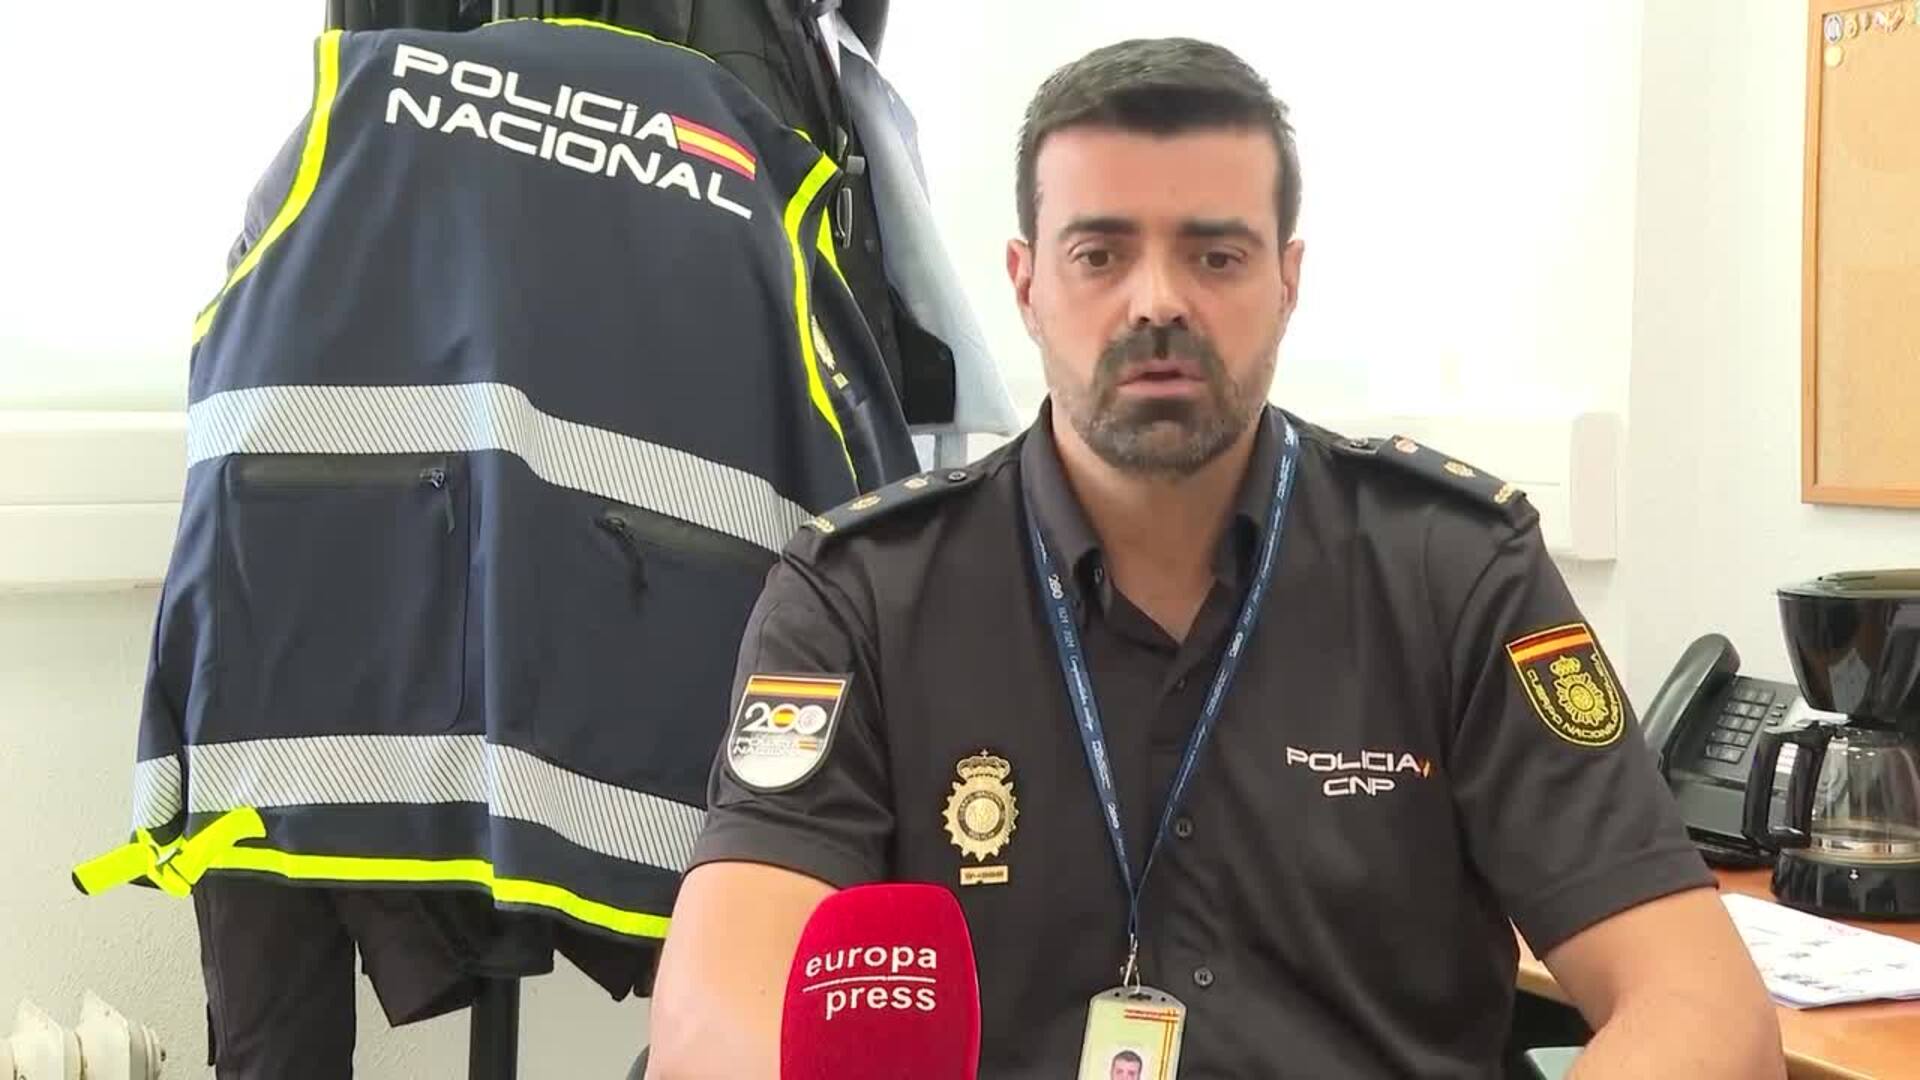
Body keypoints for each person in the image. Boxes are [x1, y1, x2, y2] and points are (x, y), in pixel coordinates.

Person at [645, 36, 1784, 1079]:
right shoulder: (863, 594)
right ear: (1026, 283)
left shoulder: (1454, 572)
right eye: (1100, 254)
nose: (1159, 302)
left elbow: (1701, 1006)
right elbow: (716, 1018)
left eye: (1216, 256)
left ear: (1288, 280)